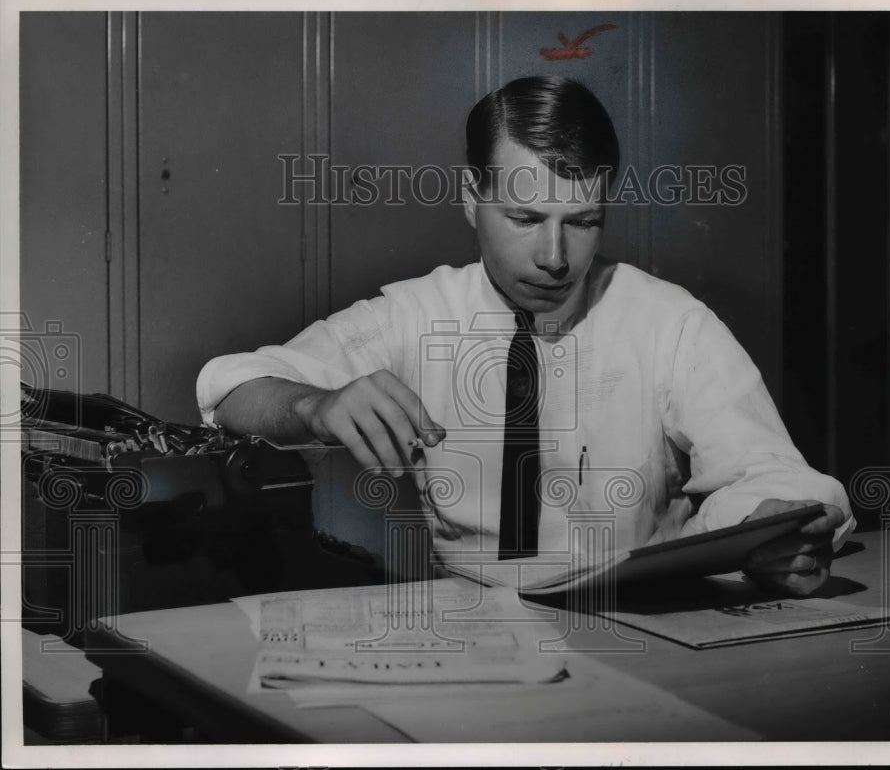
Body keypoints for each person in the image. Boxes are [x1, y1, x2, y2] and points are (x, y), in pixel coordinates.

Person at [197, 75, 854, 596]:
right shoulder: (415, 315)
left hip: (648, 626)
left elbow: (771, 474)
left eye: (583, 220)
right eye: (525, 216)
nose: (554, 257)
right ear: (470, 197)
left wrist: (779, 530)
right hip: (476, 631)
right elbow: (230, 386)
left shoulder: (670, 323)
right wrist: (316, 405)